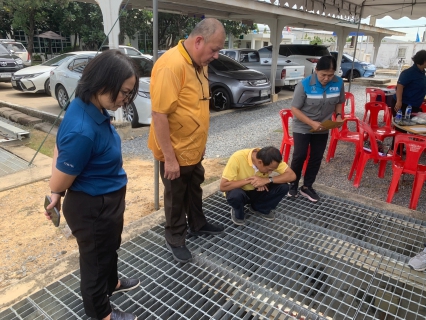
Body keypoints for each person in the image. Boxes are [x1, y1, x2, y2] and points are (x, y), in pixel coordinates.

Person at [44, 50, 140, 320]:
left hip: (106, 200)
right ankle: (102, 314)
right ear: (102, 83)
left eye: (129, 93)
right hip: (93, 207)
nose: (125, 99)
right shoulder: (82, 129)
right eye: (123, 92)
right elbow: (60, 175)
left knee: (109, 248)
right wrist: (56, 192)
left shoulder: (89, 105)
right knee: (95, 262)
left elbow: (57, 147)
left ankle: (112, 284)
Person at [148, 18, 226, 264]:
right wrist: (169, 159)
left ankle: (198, 223)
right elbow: (159, 114)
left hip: (194, 146)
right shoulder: (171, 66)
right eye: (214, 50)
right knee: (175, 196)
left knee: (194, 187)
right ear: (199, 41)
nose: (215, 56)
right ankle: (175, 237)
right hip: (174, 150)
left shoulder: (199, 62)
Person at [288, 55, 345, 202]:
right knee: (299, 155)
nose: (326, 78)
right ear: (316, 70)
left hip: (323, 126)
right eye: (323, 75)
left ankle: (307, 187)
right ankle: (292, 185)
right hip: (303, 125)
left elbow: (339, 101)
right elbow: (295, 109)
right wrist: (311, 123)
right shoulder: (305, 84)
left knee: (316, 156)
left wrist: (338, 115)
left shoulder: (338, 83)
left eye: (330, 75)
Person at [220, 146, 296, 225]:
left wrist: (266, 180)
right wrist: (250, 180)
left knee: (284, 187)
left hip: (258, 190)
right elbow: (223, 186)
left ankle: (259, 208)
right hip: (240, 191)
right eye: (269, 169)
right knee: (235, 195)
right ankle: (237, 209)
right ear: (260, 162)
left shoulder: (271, 158)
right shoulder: (237, 158)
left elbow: (292, 176)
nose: (270, 172)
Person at [392, 50, 426, 117]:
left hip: (414, 105)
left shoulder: (422, 73)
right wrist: (399, 101)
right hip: (403, 104)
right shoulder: (409, 72)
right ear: (423, 60)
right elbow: (399, 86)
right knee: (402, 125)